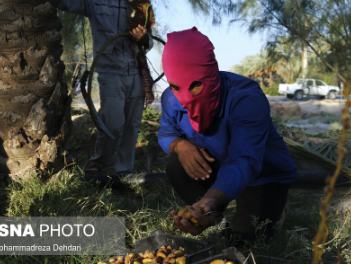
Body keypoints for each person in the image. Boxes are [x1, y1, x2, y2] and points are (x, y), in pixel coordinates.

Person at [158, 27, 297, 240]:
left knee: (246, 240)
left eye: (195, 86)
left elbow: (245, 160)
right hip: (219, 166)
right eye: (176, 86)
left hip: (261, 174)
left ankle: (267, 207)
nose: (185, 97)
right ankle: (214, 216)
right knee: (176, 165)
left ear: (211, 72)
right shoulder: (170, 99)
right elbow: (166, 133)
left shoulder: (245, 98)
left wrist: (210, 200)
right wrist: (180, 145)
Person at [50, 0, 152, 184]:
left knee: (132, 125)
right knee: (112, 123)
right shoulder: (95, 2)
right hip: (110, 72)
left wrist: (143, 38)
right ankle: (98, 169)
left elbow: (149, 42)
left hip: (136, 72)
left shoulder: (141, 4)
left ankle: (123, 173)